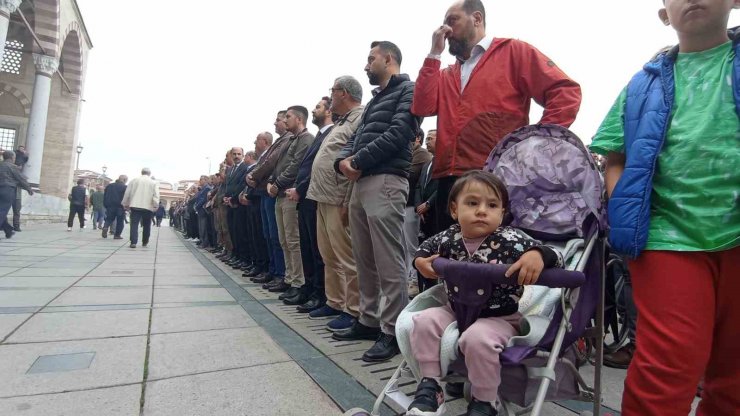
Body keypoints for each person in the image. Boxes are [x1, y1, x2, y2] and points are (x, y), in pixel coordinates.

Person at [589, 1, 740, 414]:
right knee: (668, 366)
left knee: (734, 372)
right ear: (663, 16)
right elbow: (613, 153)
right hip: (666, 237)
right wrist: (621, 201)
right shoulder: (642, 84)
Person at [411, 0, 581, 232]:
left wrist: (538, 144)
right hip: (448, 181)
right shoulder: (447, 73)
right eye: (444, 24)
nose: (445, 30)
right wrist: (433, 54)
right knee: (448, 259)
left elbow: (565, 91)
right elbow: (422, 107)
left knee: (495, 260)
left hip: (497, 177)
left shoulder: (513, 51)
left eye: (452, 21)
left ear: (477, 19)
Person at [407, 171, 563, 416]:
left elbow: (554, 254)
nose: (482, 210)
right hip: (455, 309)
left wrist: (538, 256)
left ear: (502, 213)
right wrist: (419, 262)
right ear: (454, 209)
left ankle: (485, 402)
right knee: (424, 321)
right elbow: (423, 248)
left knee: (477, 339)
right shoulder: (449, 236)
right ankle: (430, 385)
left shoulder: (511, 239)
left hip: (499, 317)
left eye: (492, 205)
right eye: (472, 203)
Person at [333, 41, 421, 362]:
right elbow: (355, 138)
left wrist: (357, 162)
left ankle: (392, 329)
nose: (366, 65)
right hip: (363, 180)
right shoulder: (374, 102)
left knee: (388, 258)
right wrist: (344, 160)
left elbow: (399, 133)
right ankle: (369, 320)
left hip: (385, 178)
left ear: (389, 58)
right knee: (364, 256)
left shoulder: (409, 90)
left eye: (371, 59)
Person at [306, 75, 364, 331]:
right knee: (329, 255)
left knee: (347, 257)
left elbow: (354, 160)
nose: (330, 98)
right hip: (323, 196)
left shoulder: (360, 118)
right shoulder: (342, 122)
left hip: (339, 197)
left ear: (343, 93)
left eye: (333, 92)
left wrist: (347, 200)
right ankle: (335, 301)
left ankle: (354, 309)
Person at [285, 97, 334, 311]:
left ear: (329, 111)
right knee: (306, 247)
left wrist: (300, 188)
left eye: (318, 107)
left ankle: (320, 293)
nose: (314, 110)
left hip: (314, 197)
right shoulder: (320, 136)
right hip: (305, 198)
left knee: (317, 250)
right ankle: (309, 288)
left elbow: (319, 167)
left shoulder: (331, 134)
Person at [267, 106, 314, 295]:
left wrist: (277, 183)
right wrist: (271, 181)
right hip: (280, 194)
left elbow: (296, 165)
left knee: (293, 240)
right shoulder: (291, 139)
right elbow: (278, 164)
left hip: (290, 193)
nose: (284, 120)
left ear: (300, 119)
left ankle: (298, 282)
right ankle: (289, 277)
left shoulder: (306, 139)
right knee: (284, 240)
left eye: (288, 117)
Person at [403, 129, 433, 297]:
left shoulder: (420, 154)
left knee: (412, 246)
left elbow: (408, 175)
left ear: (416, 138)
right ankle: (409, 278)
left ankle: (413, 280)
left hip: (411, 208)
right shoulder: (411, 153)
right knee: (405, 246)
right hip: (406, 205)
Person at [122, 168, 160, 248]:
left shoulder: (134, 180)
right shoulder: (153, 182)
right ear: (149, 174)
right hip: (148, 206)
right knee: (147, 224)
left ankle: (133, 242)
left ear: (141, 173)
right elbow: (156, 195)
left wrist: (125, 203)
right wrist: (156, 205)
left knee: (134, 224)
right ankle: (145, 241)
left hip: (135, 205)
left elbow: (127, 193)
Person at [0, 150, 33, 239]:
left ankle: (8, 231)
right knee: (2, 211)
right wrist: (29, 189)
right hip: (7, 190)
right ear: (12, 158)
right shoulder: (13, 167)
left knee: (1, 211)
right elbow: (21, 179)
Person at [11, 145, 28, 232]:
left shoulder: (20, 174)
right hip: (9, 193)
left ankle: (16, 226)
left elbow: (25, 159)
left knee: (17, 211)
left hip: (17, 194)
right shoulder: (9, 169)